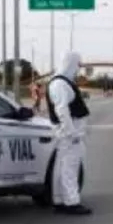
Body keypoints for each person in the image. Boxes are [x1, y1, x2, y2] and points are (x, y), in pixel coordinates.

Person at [46, 52, 92, 215]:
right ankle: (71, 202)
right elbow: (62, 110)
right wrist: (71, 132)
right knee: (69, 168)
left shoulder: (63, 83)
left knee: (63, 167)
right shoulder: (60, 84)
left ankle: (60, 199)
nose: (78, 69)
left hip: (68, 133)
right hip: (69, 134)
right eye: (78, 65)